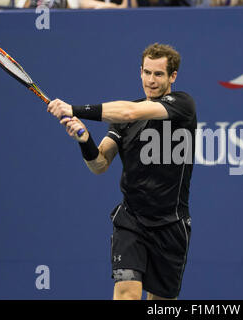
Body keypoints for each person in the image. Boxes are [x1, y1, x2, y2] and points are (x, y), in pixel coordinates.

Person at [47, 43, 196, 300]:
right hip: (132, 221)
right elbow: (100, 164)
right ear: (140, 71)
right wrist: (85, 140)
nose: (151, 80)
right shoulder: (122, 119)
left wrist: (73, 109)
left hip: (172, 223)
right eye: (147, 72)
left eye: (159, 74)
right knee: (127, 294)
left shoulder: (183, 104)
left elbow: (130, 111)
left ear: (173, 76)